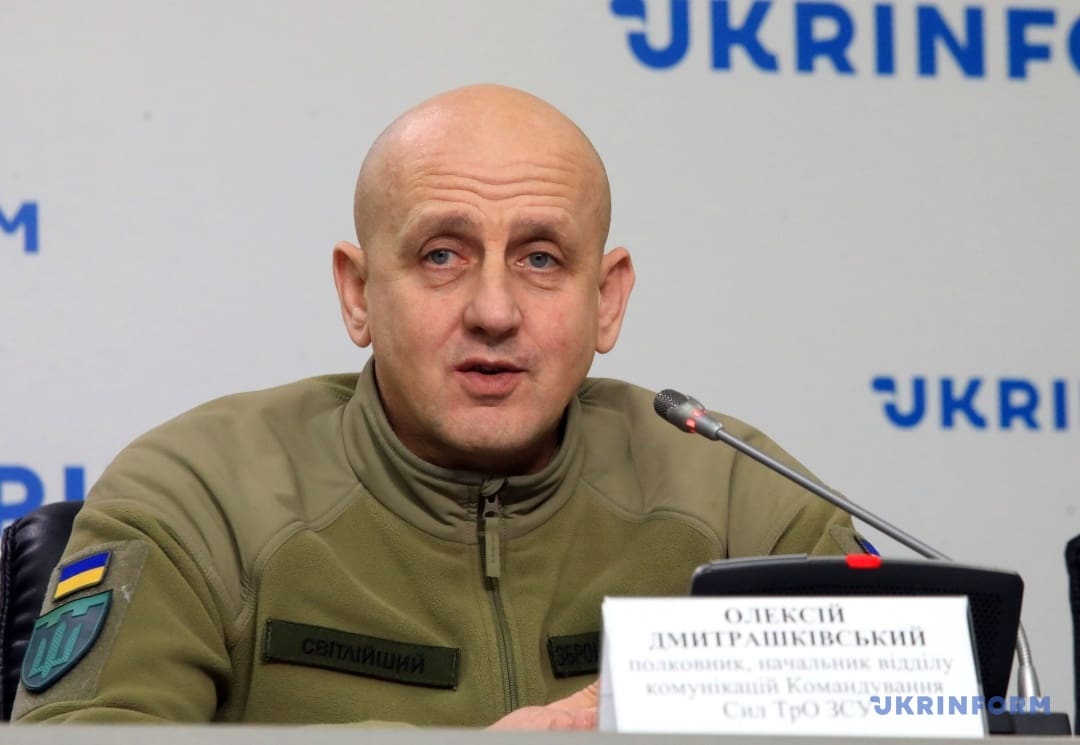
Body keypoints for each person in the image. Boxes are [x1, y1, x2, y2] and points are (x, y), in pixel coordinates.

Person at [14, 85, 861, 728]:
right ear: (358, 293)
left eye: (539, 259)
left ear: (606, 300)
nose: (494, 310)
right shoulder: (200, 496)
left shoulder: (743, 500)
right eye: (442, 255)